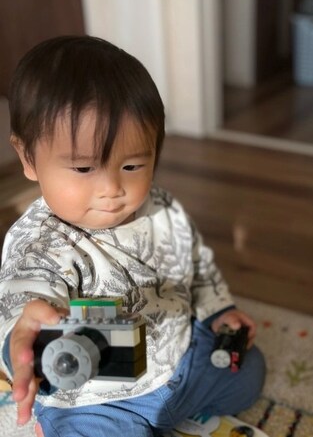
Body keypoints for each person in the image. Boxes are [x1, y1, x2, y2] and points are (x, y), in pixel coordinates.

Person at [0, 35, 266, 437]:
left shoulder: (161, 208)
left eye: (131, 166)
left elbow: (195, 264)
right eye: (84, 169)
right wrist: (20, 339)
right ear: (28, 158)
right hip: (101, 397)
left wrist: (217, 312)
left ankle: (169, 411)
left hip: (179, 356)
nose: (112, 189)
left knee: (249, 371)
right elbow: (23, 301)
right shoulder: (39, 243)